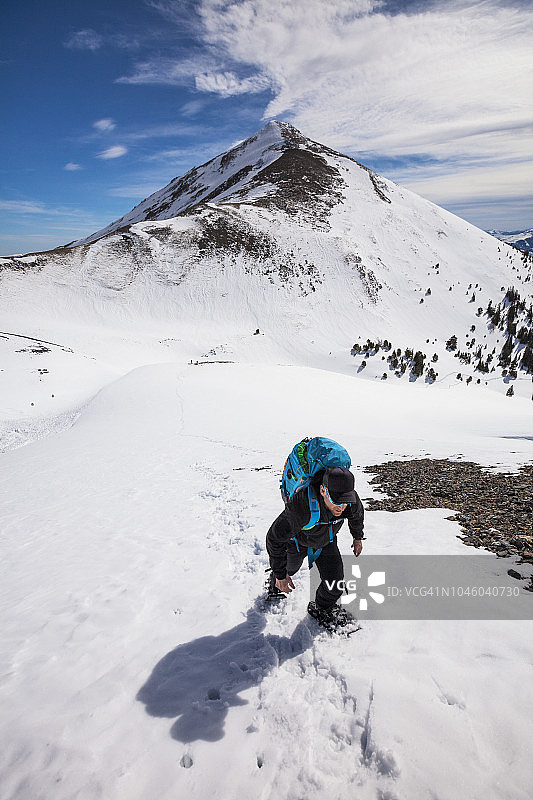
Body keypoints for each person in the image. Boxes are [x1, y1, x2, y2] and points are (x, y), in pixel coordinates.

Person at [266, 466, 364, 624]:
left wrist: (357, 537)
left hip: (326, 541)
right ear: (323, 490)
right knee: (287, 570)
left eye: (345, 501)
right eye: (336, 500)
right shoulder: (301, 507)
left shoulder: (350, 501)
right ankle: (275, 584)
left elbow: (357, 515)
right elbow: (274, 538)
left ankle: (322, 608)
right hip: (297, 544)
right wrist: (280, 575)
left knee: (335, 583)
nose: (342, 506)